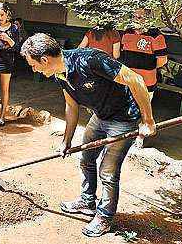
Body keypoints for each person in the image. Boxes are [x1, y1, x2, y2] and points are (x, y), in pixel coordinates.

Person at [20, 33, 156, 237]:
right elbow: (71, 105)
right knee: (87, 159)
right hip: (100, 116)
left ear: (45, 60)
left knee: (108, 172)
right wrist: (66, 141)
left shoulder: (90, 60)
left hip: (123, 118)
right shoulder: (59, 72)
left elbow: (135, 80)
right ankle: (87, 200)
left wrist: (148, 120)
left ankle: (104, 217)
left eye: (33, 64)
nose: (34, 69)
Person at [120, 9, 168, 100]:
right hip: (127, 82)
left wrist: (148, 67)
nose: (135, 20)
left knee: (142, 112)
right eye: (133, 17)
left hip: (146, 83)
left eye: (139, 17)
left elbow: (162, 61)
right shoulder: (127, 32)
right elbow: (124, 53)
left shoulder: (156, 36)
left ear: (147, 19)